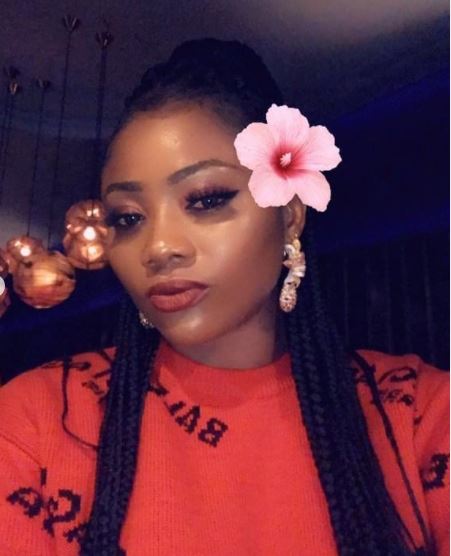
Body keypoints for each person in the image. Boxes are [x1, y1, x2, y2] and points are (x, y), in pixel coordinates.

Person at [0, 38, 449, 556]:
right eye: (128, 218)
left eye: (206, 199)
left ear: (290, 216)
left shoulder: (418, 415)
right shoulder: (36, 418)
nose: (159, 247)